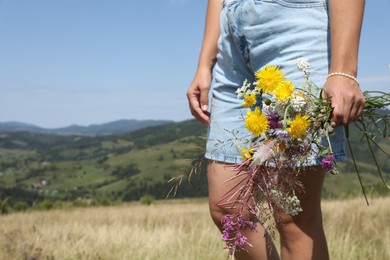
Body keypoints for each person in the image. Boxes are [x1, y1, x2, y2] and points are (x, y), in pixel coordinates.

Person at [187, 0, 365, 259]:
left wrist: (344, 70)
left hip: (295, 28)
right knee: (228, 207)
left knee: (293, 216)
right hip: (230, 43)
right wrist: (204, 64)